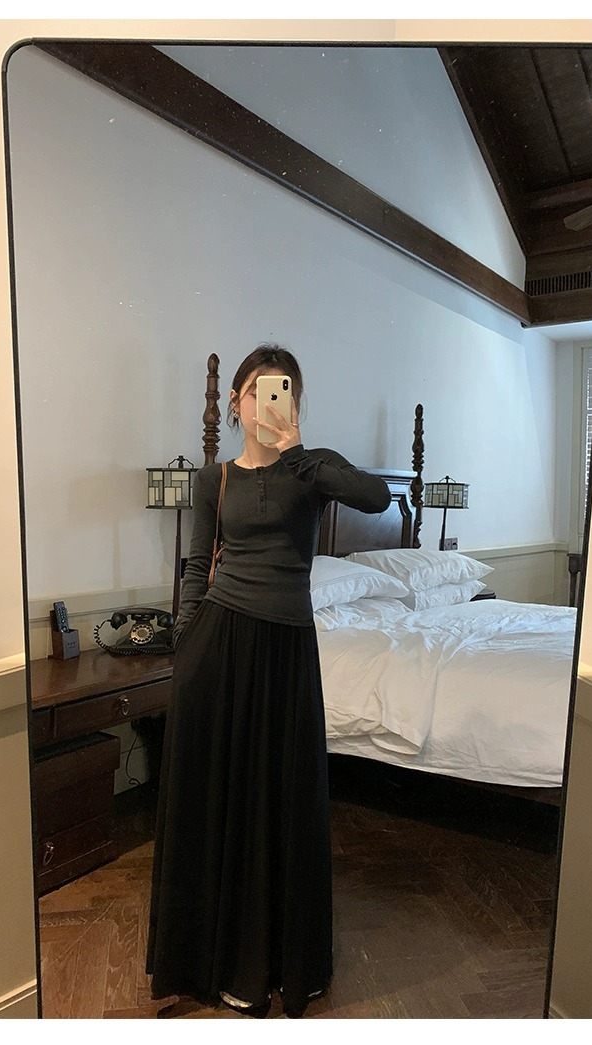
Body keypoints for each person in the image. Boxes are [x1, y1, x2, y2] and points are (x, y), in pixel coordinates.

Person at [146, 343, 391, 1018]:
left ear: (294, 402)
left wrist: (299, 450)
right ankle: (214, 959)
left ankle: (280, 961)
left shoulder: (313, 471)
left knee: (285, 799)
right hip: (219, 645)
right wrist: (185, 645)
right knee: (220, 799)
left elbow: (376, 497)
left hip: (287, 651)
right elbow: (196, 565)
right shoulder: (214, 479)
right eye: (256, 389)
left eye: (282, 389)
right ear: (236, 401)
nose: (268, 401)